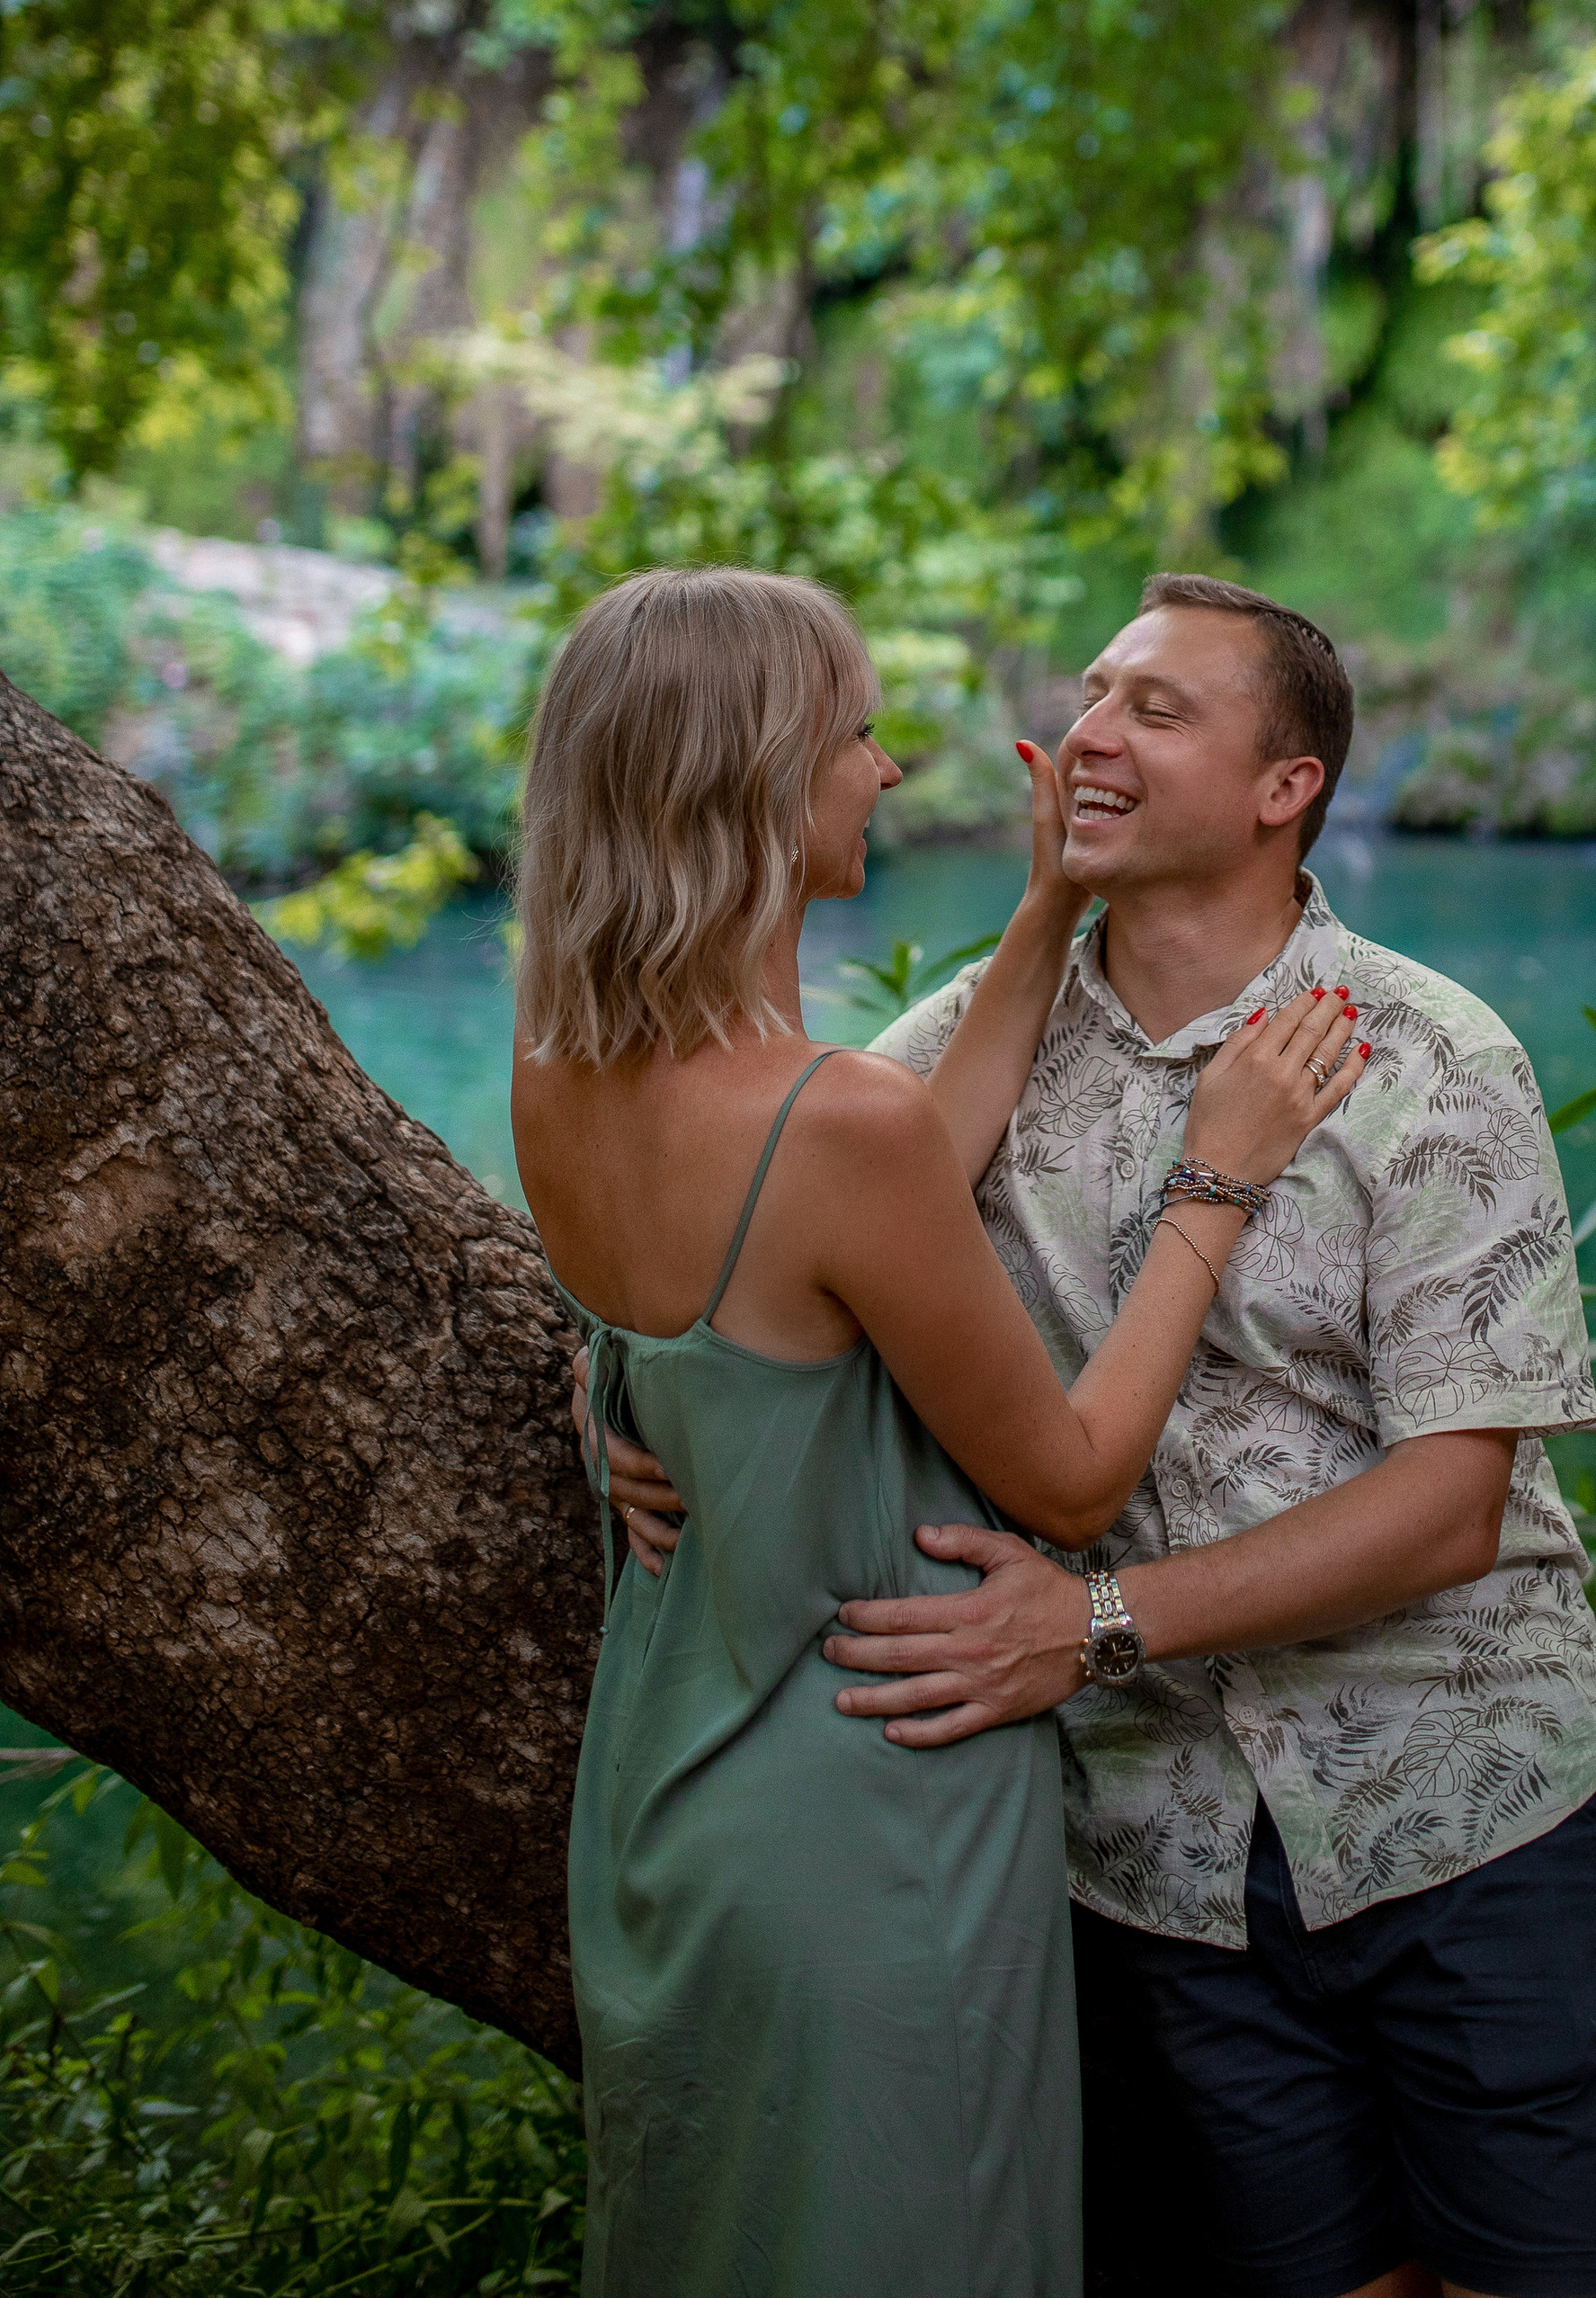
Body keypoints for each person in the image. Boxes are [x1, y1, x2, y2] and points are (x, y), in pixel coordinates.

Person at [602, 571, 1596, 2298]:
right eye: (1093, 695)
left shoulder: (1434, 1056)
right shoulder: (950, 1052)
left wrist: (1088, 1625)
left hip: (1462, 1802)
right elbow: (752, 1281)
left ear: (1285, 787)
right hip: (1152, 1850)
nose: (1087, 736)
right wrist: (659, 1432)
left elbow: (1452, 1509)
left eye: (1156, 711)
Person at [515, 563, 1366, 2298]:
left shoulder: (563, 1070)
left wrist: (1044, 913)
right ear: (759, 782)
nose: (887, 772)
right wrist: (1219, 1177)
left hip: (672, 1798)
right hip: (872, 1804)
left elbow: (852, 1199)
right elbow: (1068, 1470)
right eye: (856, 733)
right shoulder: (824, 1123)